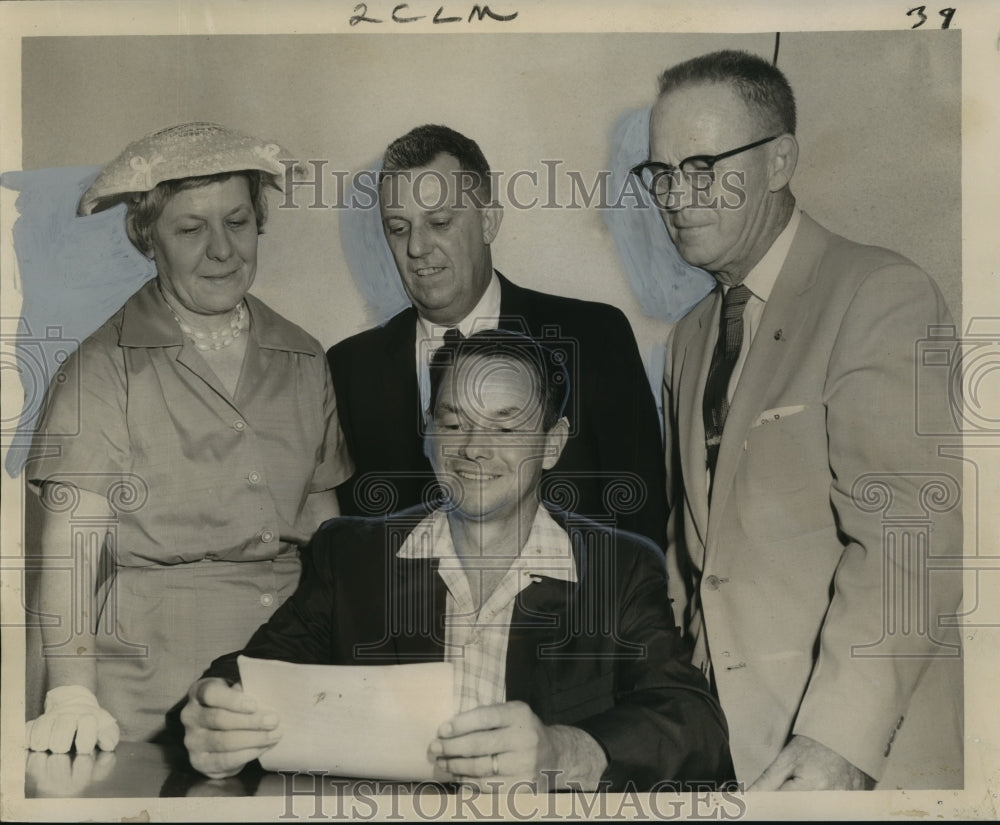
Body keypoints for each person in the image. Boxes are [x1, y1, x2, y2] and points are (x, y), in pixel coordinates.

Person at [182, 329, 734, 791]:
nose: (473, 447)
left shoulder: (617, 569)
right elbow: (256, 671)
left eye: (505, 426)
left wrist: (563, 751)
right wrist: (218, 712)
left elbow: (695, 723)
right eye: (452, 422)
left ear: (552, 442)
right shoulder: (352, 555)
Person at [630, 50, 963, 789]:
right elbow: (699, 570)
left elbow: (912, 539)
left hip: (852, 764)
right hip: (726, 761)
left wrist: (840, 741)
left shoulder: (879, 293)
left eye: (704, 165)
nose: (676, 196)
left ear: (780, 160)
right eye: (660, 172)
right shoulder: (689, 338)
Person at [23, 122, 354, 751]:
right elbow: (73, 546)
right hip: (150, 700)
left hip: (286, 676)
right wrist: (71, 693)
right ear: (149, 238)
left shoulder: (304, 357)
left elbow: (324, 532)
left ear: (260, 223)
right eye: (190, 228)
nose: (221, 249)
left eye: (236, 221)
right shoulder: (102, 367)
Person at [327, 124, 667, 549]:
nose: (417, 248)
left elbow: (642, 521)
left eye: (439, 222)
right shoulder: (348, 369)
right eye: (398, 228)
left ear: (488, 221)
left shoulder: (595, 337)